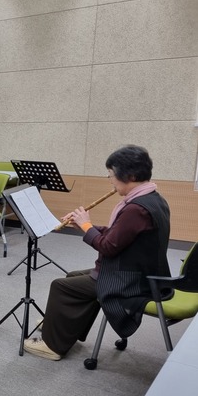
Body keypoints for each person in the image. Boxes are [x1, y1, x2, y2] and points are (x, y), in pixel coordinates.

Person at [24, 145, 170, 361]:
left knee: (60, 286)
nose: (110, 181)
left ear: (130, 176)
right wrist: (85, 226)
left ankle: (52, 345)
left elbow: (108, 247)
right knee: (73, 277)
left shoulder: (136, 209)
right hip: (139, 271)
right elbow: (119, 235)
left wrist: (86, 226)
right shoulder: (153, 198)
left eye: (111, 175)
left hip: (130, 280)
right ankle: (62, 326)